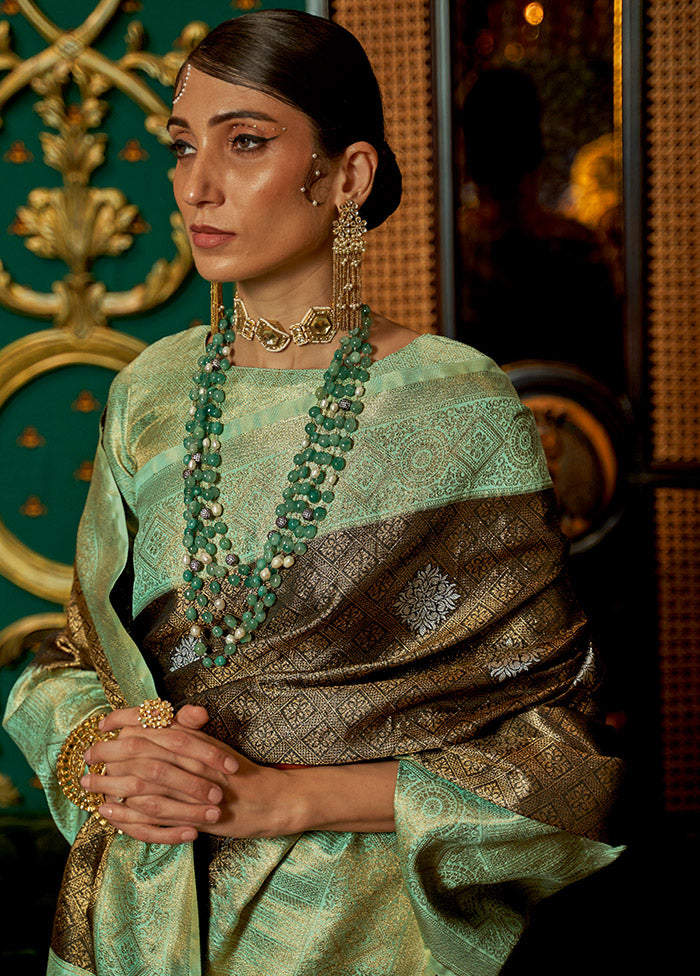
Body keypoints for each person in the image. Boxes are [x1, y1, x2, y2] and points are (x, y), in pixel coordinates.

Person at [3, 11, 623, 976]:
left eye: (244, 141)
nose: (195, 184)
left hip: (353, 918)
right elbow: (72, 660)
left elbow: (559, 756)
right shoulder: (152, 393)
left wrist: (283, 799)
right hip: (150, 906)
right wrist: (107, 748)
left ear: (349, 176)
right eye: (181, 147)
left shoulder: (455, 402)